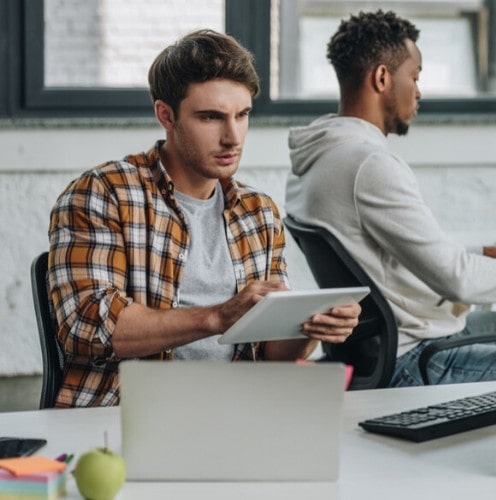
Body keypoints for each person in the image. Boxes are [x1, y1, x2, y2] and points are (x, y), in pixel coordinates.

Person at [47, 29, 361, 408]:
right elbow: (86, 326)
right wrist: (216, 317)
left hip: (237, 412)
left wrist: (312, 328)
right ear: (166, 115)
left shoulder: (257, 212)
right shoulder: (103, 193)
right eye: (211, 117)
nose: (232, 137)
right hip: (130, 415)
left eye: (242, 115)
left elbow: (271, 352)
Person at [284, 10, 496, 387]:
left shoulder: (315, 158)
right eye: (415, 76)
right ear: (382, 77)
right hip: (412, 359)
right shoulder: (369, 165)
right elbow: (458, 281)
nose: (419, 91)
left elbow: (390, 259)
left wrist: (487, 251)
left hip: (376, 352)